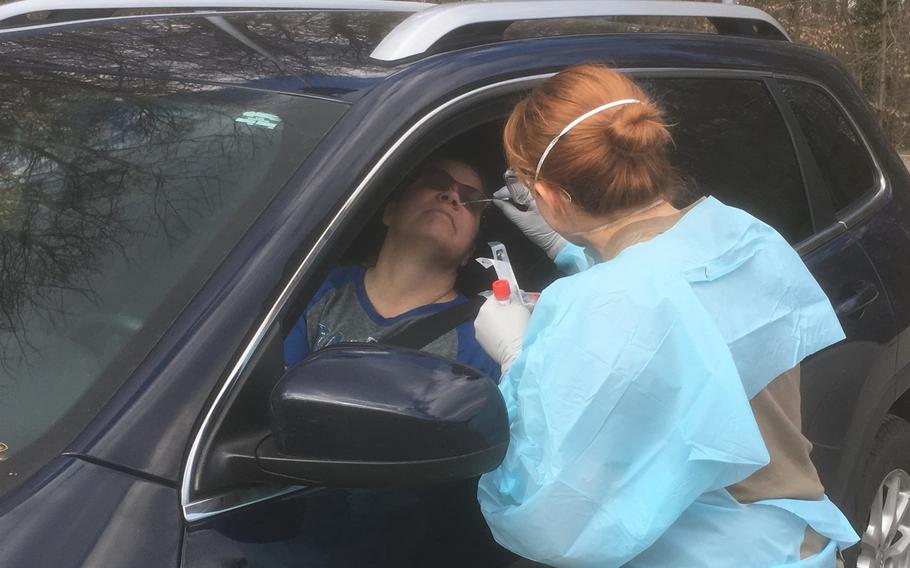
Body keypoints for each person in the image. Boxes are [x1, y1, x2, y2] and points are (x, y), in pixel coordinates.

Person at [473, 64, 859, 567]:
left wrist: (516, 356)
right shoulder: (744, 237)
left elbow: (548, 509)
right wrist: (572, 251)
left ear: (545, 193)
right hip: (796, 542)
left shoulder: (602, 304)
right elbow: (680, 293)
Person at [284, 156, 500, 381]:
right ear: (390, 212)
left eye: (471, 201)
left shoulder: (480, 339)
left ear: (469, 252)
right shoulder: (314, 288)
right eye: (436, 181)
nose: (452, 196)